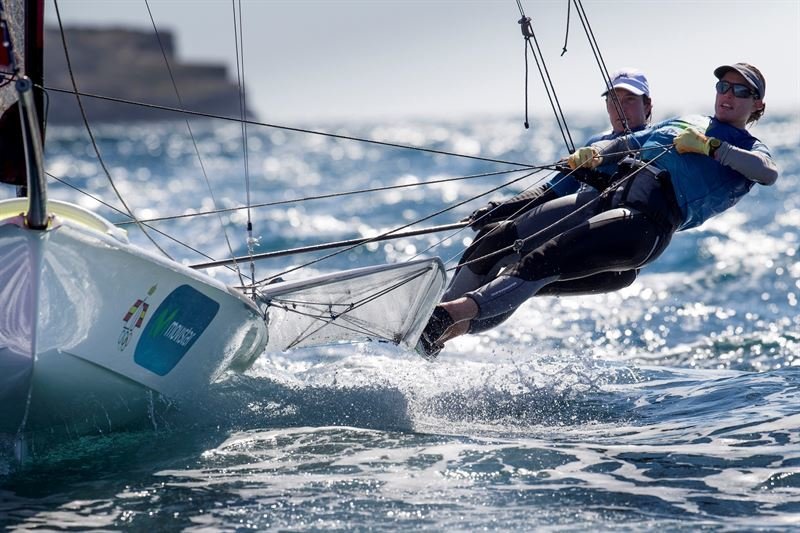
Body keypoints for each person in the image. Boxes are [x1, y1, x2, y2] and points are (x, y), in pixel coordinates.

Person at [418, 62, 778, 359]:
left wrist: (713, 148)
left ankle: (442, 317)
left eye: (741, 91)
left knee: (540, 262)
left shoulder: (748, 145)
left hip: (644, 224)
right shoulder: (685, 122)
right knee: (501, 236)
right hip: (609, 202)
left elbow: (767, 174)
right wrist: (595, 154)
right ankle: (433, 328)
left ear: (757, 105)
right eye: (723, 87)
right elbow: (628, 142)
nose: (729, 95)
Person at [442, 68, 654, 339]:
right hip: (573, 237)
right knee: (496, 244)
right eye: (613, 100)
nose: (619, 108)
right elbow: (550, 192)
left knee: (513, 261)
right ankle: (440, 331)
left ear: (647, 105)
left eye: (629, 100)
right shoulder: (596, 143)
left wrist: (602, 179)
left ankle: (437, 316)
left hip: (614, 259)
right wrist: (501, 206)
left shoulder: (655, 140)